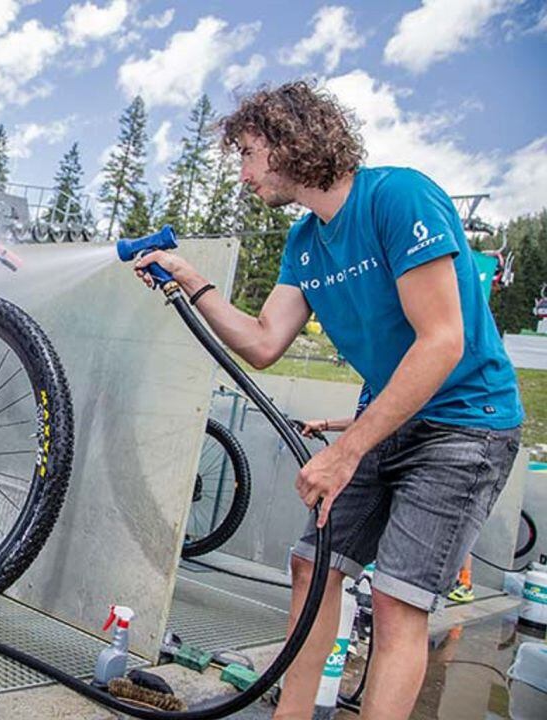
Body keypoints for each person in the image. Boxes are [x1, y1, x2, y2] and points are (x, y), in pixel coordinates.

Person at [134, 80, 523, 719]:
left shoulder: (398, 197)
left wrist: (345, 451)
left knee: (399, 602)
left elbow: (442, 342)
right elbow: (263, 343)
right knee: (312, 570)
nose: (243, 173)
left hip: (464, 426)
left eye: (249, 153)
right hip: (386, 419)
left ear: (290, 142)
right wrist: (190, 279)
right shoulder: (305, 243)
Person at [301, 385, 478, 605]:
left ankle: (464, 581)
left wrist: (341, 453)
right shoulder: (376, 381)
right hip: (380, 445)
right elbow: (372, 417)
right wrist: (328, 424)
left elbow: (399, 411)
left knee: (397, 593)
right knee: (312, 561)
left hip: (438, 443)